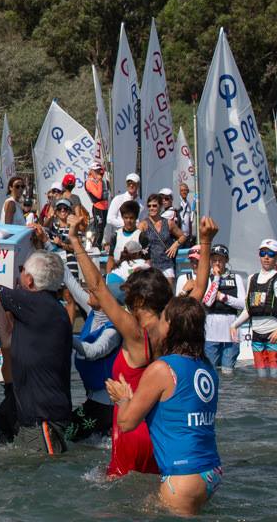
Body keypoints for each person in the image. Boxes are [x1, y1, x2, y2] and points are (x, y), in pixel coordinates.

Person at [67, 206, 216, 477]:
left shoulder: (135, 333)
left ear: (138, 301)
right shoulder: (176, 324)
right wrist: (205, 242)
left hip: (130, 429)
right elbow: (201, 286)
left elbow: (98, 287)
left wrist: (75, 240)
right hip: (161, 439)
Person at [107, 295, 223, 514]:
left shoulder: (161, 369)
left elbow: (126, 423)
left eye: (161, 318)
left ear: (169, 326)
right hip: (211, 471)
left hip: (183, 477)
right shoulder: (207, 367)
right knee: (145, 511)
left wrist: (122, 398)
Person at [0, 232, 72, 454]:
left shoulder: (34, 304)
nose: (19, 275)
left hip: (43, 423)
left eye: (21, 270)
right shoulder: (49, 308)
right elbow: (6, 340)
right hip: (40, 420)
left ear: (30, 281)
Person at [231, 238, 277, 378]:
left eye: (271, 254)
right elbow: (249, 309)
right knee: (261, 378)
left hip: (275, 336)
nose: (266, 257)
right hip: (257, 337)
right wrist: (234, 325)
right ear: (259, 255)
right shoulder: (252, 279)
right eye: (263, 253)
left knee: (276, 378)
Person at [68, 277, 120, 441]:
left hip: (106, 405)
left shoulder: (113, 331)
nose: (89, 291)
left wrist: (63, 335)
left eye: (94, 290)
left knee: (68, 439)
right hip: (92, 400)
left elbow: (92, 352)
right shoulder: (94, 312)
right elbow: (72, 285)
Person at [197, 246, 245, 373]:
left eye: (220, 260)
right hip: (212, 330)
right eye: (214, 260)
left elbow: (243, 304)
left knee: (228, 371)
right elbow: (207, 301)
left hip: (231, 328)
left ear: (226, 260)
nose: (217, 263)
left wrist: (224, 297)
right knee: (210, 370)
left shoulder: (236, 278)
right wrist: (216, 278)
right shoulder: (207, 278)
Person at [139, 194, 183, 279]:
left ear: (161, 206)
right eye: (149, 206)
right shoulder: (143, 225)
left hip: (167, 265)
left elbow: (183, 236)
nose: (151, 208)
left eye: (154, 205)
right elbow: (135, 241)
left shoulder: (169, 223)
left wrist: (175, 245)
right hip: (150, 266)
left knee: (168, 291)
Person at [105, 173, 140, 252]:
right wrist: (127, 224)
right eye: (129, 183)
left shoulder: (141, 202)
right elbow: (110, 219)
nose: (131, 185)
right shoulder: (118, 199)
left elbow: (142, 220)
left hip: (135, 238)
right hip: (120, 236)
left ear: (138, 185)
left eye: (133, 183)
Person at [111, 199, 143, 264]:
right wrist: (109, 273)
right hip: (118, 270)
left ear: (136, 218)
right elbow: (110, 258)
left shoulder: (142, 236)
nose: (128, 221)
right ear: (122, 217)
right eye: (126, 217)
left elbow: (147, 260)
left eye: (131, 218)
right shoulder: (116, 235)